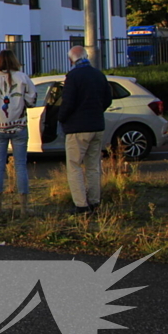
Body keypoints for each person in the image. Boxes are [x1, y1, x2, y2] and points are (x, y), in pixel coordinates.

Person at [0, 50, 37, 217]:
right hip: (19, 126)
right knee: (20, 166)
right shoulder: (23, 77)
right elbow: (32, 99)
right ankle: (24, 208)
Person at [58, 45, 112, 214]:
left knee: (74, 165)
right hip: (97, 125)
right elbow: (107, 99)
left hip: (77, 128)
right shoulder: (99, 75)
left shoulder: (73, 77)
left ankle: (81, 205)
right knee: (93, 166)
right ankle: (95, 201)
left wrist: (62, 118)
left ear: (71, 60)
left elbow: (68, 103)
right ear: (86, 56)